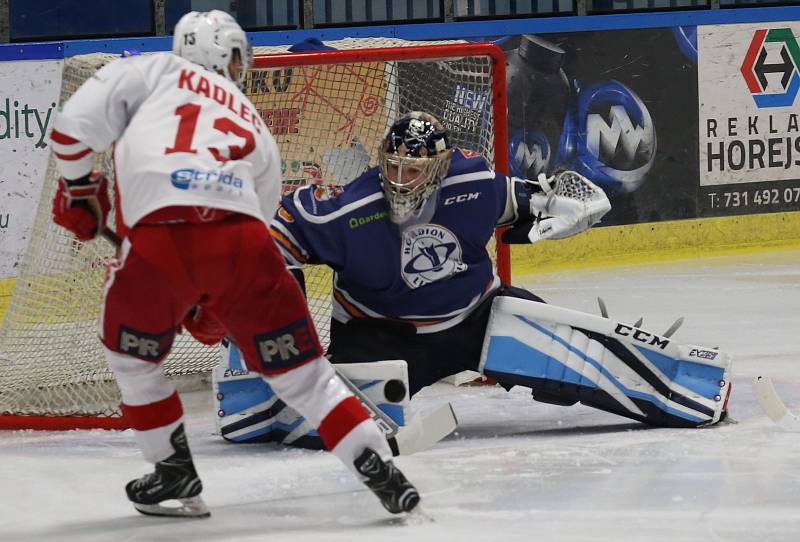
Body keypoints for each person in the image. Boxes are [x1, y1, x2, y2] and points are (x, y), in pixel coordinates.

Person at [49, 10, 419, 518]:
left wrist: (77, 187)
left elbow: (70, 130)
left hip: (159, 242)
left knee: (134, 361)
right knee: (305, 377)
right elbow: (252, 223)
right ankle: (380, 468)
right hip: (245, 249)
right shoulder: (251, 119)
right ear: (229, 55)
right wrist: (213, 298)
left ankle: (172, 469)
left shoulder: (149, 69)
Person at [261, 111, 730, 432]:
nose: (402, 180)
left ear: (440, 168)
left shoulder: (473, 182)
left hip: (480, 319)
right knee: (316, 421)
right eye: (395, 167)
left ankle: (691, 386)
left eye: (415, 169)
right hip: (379, 335)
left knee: (590, 364)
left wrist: (565, 208)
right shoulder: (349, 209)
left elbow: (532, 199)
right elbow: (275, 240)